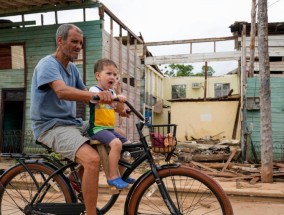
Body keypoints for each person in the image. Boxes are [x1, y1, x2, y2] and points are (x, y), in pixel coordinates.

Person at [30, 24, 113, 215]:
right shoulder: (48, 64)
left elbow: (87, 94)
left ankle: (75, 179)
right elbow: (61, 91)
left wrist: (113, 101)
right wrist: (95, 97)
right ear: (60, 41)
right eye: (74, 41)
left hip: (71, 124)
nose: (78, 46)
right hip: (50, 126)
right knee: (92, 160)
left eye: (81, 43)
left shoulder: (72, 69)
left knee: (113, 135)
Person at [88, 58, 134, 189]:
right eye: (108, 73)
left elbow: (118, 108)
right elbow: (98, 98)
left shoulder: (113, 92)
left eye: (115, 75)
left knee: (128, 145)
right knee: (116, 143)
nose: (113, 77)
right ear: (98, 75)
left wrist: (119, 96)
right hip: (97, 129)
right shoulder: (94, 89)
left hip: (108, 129)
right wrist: (114, 97)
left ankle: (123, 174)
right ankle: (112, 177)